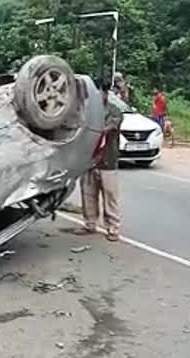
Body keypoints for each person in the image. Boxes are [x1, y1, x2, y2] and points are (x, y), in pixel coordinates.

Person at [75, 82, 123, 242]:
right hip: (89, 159)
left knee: (110, 195)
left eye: (98, 94)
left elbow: (110, 127)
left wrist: (93, 128)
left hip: (107, 160)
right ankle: (89, 223)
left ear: (105, 93)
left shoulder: (114, 110)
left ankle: (113, 228)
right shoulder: (85, 111)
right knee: (88, 193)